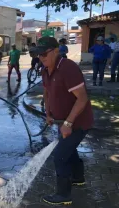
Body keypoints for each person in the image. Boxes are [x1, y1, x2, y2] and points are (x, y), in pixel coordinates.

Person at [31, 36, 94, 206]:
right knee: (69, 150)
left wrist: (68, 124)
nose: (42, 57)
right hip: (61, 120)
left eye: (45, 53)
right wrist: (48, 112)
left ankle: (64, 195)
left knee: (59, 156)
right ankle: (78, 178)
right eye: (39, 54)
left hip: (78, 122)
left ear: (56, 51)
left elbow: (82, 99)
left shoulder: (68, 68)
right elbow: (48, 92)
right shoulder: (45, 70)